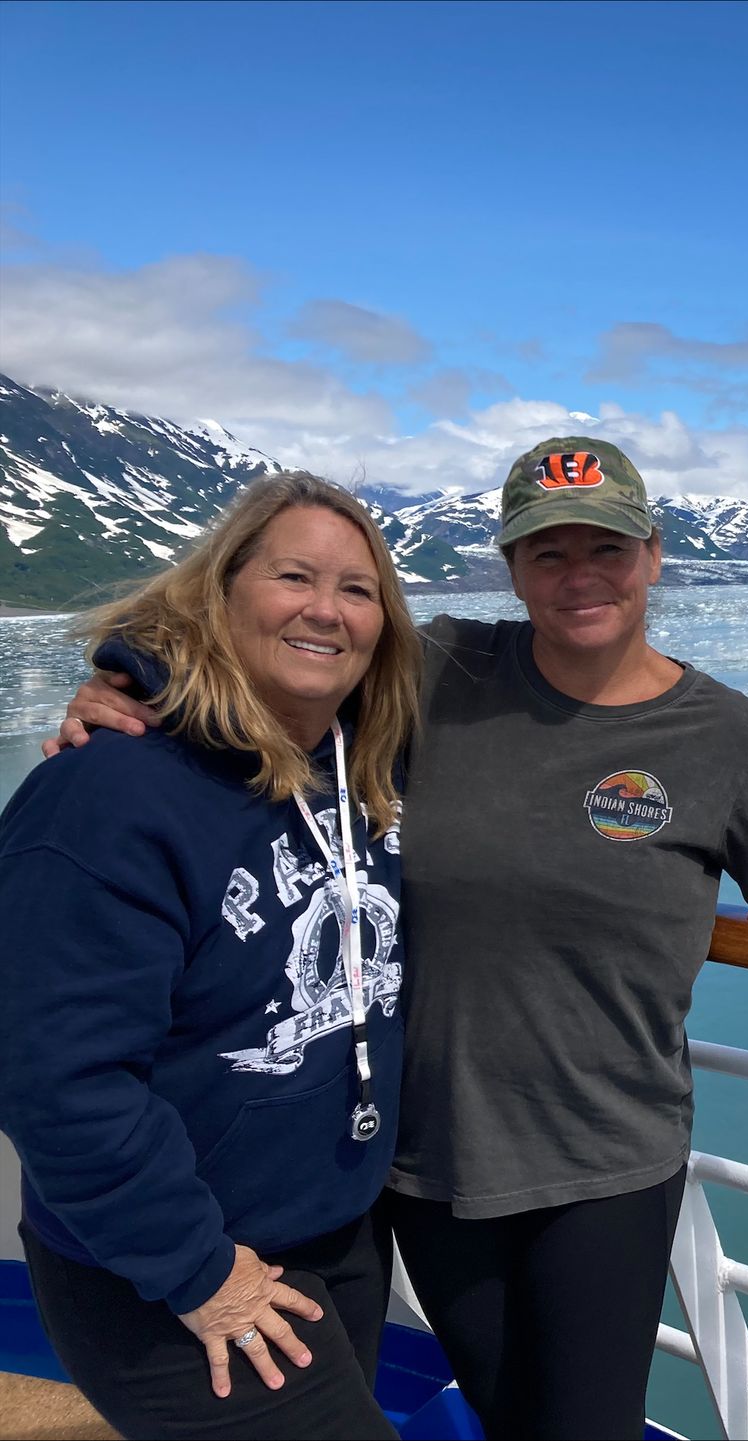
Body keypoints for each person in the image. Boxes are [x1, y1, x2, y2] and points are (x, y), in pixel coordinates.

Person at [54, 437, 748, 1440]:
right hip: (426, 1163)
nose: (579, 577)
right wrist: (130, 687)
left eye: (605, 548)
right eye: (547, 554)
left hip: (603, 1156)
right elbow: (272, 642)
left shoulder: (724, 735)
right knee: (511, 1416)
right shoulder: (440, 669)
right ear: (511, 570)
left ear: (652, 555)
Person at [0, 473, 422, 1440]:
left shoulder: (364, 767)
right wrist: (200, 1270)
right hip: (166, 1272)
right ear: (219, 591)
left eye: (359, 590)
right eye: (294, 577)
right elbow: (53, 1077)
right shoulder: (107, 795)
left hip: (332, 1234)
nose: (327, 609)